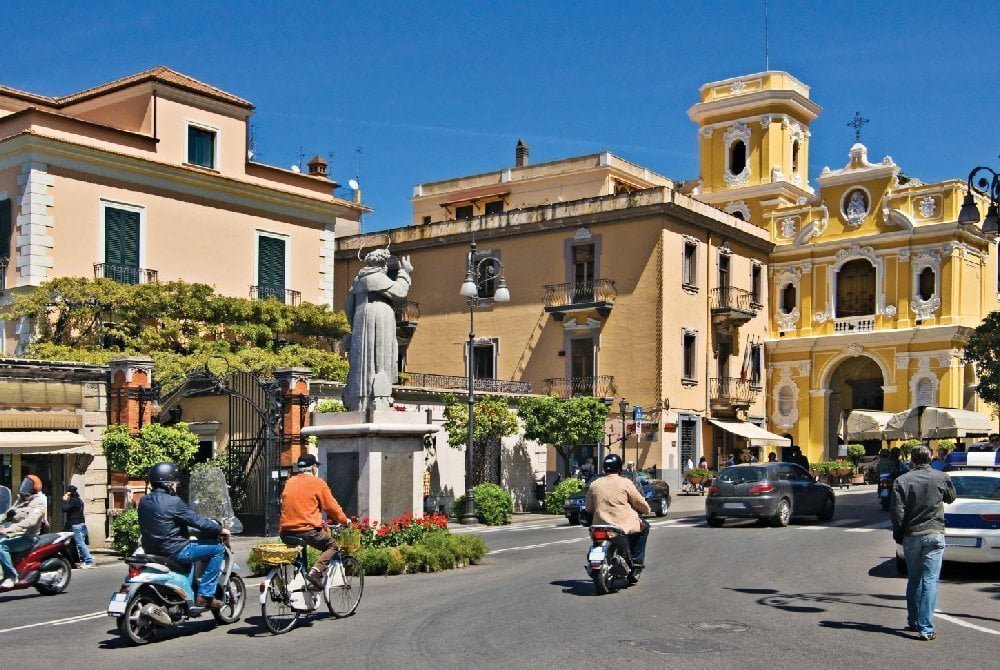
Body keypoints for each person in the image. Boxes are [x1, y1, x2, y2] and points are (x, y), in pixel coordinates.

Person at [137, 462, 228, 608]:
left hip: (151, 549)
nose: (176, 486)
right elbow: (196, 520)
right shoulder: (173, 502)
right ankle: (205, 595)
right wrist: (219, 529)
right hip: (175, 550)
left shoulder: (144, 501)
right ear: (168, 484)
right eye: (174, 483)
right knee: (217, 549)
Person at [891, 445, 955, 641]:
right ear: (931, 458)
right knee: (930, 581)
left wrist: (898, 535)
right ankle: (925, 627)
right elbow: (951, 498)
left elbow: (897, 512)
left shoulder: (902, 480)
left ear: (912, 460)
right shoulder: (941, 477)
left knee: (914, 579)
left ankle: (914, 620)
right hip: (934, 532)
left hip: (912, 534)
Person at [343, 249, 413, 412]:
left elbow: (348, 308)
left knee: (362, 358)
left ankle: (358, 398)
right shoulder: (377, 277)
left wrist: (355, 326)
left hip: (360, 319)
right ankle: (379, 396)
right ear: (383, 265)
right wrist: (405, 273)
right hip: (379, 317)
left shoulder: (357, 281)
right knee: (381, 356)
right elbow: (400, 292)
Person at [279, 453, 348, 589]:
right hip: (307, 531)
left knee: (299, 557)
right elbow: (331, 506)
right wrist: (344, 520)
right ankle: (316, 572)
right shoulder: (317, 483)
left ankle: (299, 579)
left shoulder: (289, 482)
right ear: (313, 468)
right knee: (332, 546)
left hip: (286, 532)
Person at [584, 453, 650, 583]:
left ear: (604, 468)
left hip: (599, 525)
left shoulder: (594, 484)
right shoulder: (625, 483)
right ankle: (636, 563)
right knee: (644, 527)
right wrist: (646, 509)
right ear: (619, 468)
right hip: (621, 525)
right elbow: (638, 501)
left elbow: (588, 507)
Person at [0, 479, 47, 588]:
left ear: (33, 489)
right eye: (24, 484)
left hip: (28, 537)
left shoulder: (38, 503)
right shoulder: (20, 501)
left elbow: (30, 521)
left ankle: (11, 576)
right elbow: (7, 514)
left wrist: (9, 529)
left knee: (1, 546)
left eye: (27, 485)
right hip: (14, 535)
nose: (24, 488)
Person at [62, 485, 95, 568]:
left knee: (80, 544)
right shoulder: (80, 500)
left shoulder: (73, 501)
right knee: (80, 543)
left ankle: (88, 561)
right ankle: (82, 560)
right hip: (82, 524)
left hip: (75, 524)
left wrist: (64, 500)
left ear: (69, 493)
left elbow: (64, 509)